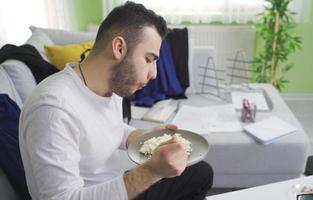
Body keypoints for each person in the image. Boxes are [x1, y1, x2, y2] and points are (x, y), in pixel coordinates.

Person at [19, 2, 213, 200]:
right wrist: (150, 172)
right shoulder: (52, 109)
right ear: (119, 48)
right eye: (149, 59)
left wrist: (143, 137)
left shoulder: (109, 87)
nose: (154, 73)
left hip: (114, 188)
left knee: (201, 173)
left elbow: (103, 128)